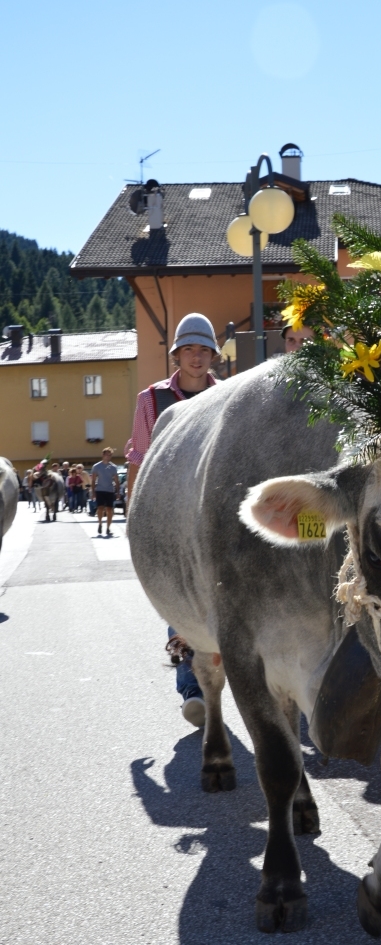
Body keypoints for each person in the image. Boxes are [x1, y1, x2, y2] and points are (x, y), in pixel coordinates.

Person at [126, 312, 219, 729]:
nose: (196, 358)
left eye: (203, 350)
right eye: (189, 350)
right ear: (176, 354)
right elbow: (140, 462)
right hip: (169, 522)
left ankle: (212, 681)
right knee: (179, 609)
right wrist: (135, 524)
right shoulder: (152, 400)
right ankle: (191, 688)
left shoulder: (229, 397)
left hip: (215, 520)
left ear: (213, 354)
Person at [90, 448, 119, 535]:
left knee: (109, 509)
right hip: (100, 490)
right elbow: (93, 480)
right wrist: (93, 492)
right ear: (103, 455)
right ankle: (100, 523)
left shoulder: (113, 467)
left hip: (110, 490)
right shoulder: (97, 466)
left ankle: (108, 528)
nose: (108, 456)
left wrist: (118, 492)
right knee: (100, 508)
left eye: (110, 455)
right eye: (107, 454)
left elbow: (117, 480)